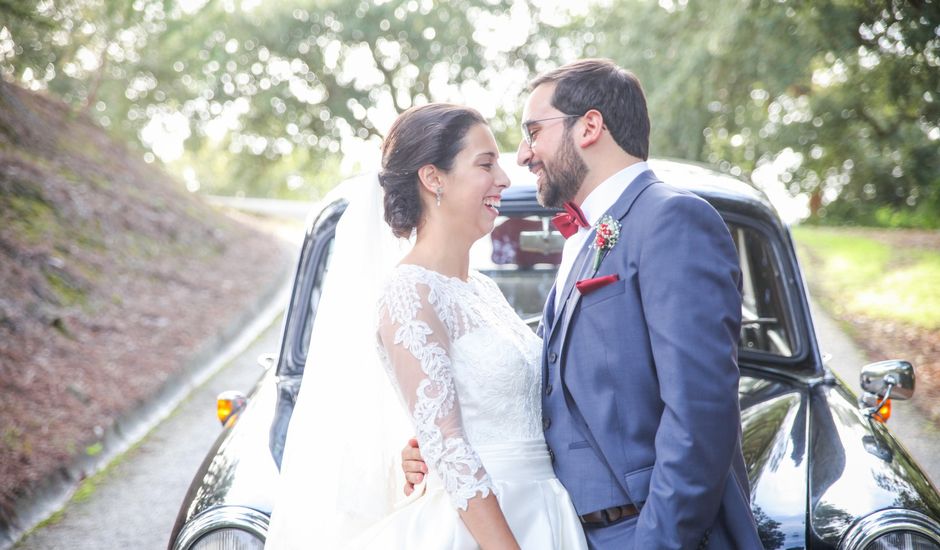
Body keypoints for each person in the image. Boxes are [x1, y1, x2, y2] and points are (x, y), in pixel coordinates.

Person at [402, 59, 764, 549]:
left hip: (645, 531)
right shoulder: (586, 239)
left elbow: (700, 415)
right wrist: (448, 441)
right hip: (566, 529)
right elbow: (559, 391)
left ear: (590, 126)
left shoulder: (672, 220)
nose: (524, 155)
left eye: (534, 131)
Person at [265, 103, 588, 549]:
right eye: (486, 164)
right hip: (486, 530)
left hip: (543, 509)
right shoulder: (408, 293)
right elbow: (450, 445)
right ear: (433, 178)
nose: (504, 179)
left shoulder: (482, 290)